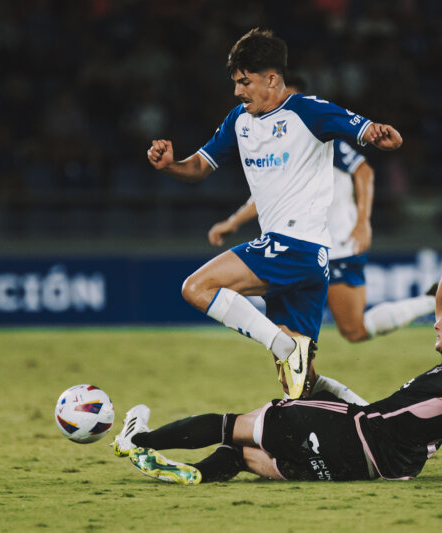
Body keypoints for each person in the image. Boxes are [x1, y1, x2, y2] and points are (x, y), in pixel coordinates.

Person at [111, 234, 442, 485]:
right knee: (246, 455)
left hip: (357, 434)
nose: (435, 323)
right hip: (370, 466)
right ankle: (194, 475)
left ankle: (140, 441)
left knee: (240, 423)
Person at [145, 28, 402, 404]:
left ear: (271, 78)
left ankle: (282, 345)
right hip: (302, 261)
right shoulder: (239, 121)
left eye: (244, 82)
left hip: (293, 247)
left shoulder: (309, 110)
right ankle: (380, 425)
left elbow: (363, 129)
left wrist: (379, 134)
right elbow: (200, 166)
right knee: (300, 387)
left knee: (196, 288)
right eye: (235, 82)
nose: (237, 91)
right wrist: (171, 165)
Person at [208, 74, 436, 345]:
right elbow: (269, 196)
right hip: (296, 245)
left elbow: (363, 171)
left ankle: (431, 302)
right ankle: (302, 380)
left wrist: (363, 221)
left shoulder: (321, 136)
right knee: (294, 335)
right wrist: (233, 222)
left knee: (353, 330)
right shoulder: (277, 148)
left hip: (338, 242)